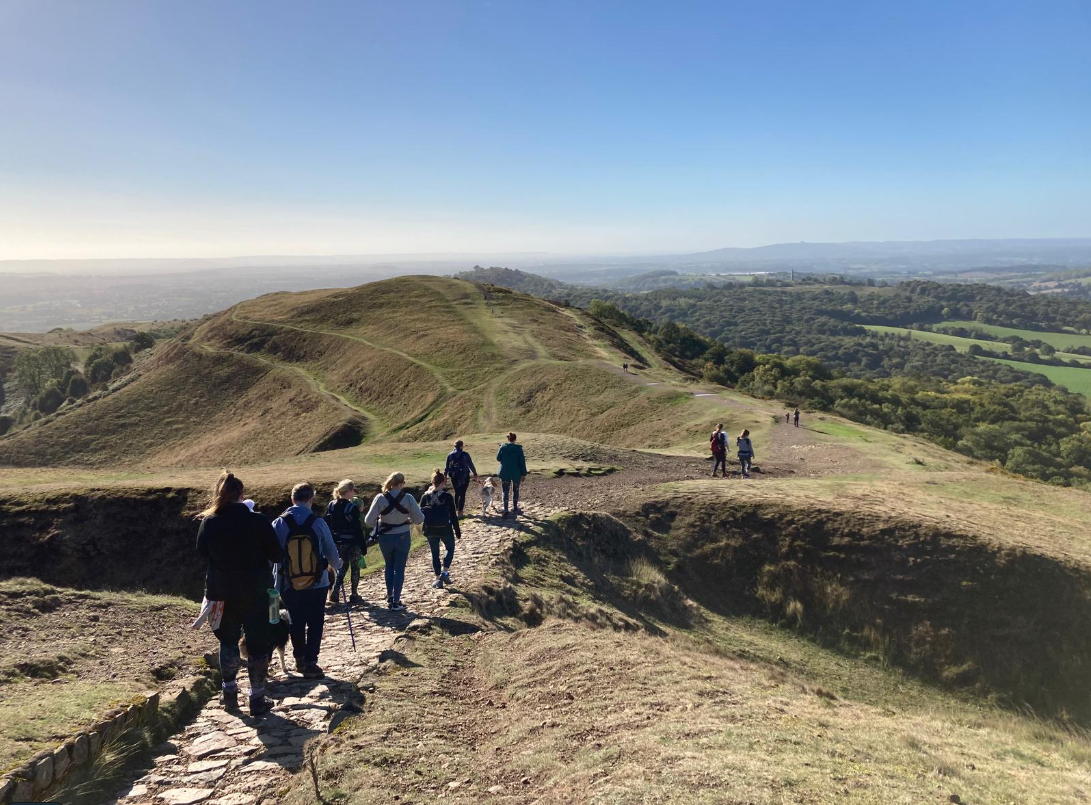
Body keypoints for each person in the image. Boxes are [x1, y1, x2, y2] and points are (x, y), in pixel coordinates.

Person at [195, 471, 282, 716]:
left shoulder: (209, 522)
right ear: (242, 495)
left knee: (228, 641)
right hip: (257, 591)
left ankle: (229, 693)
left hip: (221, 591)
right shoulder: (259, 521)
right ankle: (257, 697)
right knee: (257, 644)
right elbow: (277, 555)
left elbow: (202, 553)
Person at [273, 482, 341, 679]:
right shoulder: (318, 523)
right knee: (315, 621)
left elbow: (270, 555)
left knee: (295, 621)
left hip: (288, 582)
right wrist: (337, 566)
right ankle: (311, 661)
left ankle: (299, 658)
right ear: (311, 499)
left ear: (292, 499)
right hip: (317, 582)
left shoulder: (279, 523)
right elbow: (331, 553)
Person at [364, 472, 425, 611]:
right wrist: (409, 520)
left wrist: (379, 522)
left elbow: (368, 521)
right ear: (402, 483)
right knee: (399, 568)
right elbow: (419, 518)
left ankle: (390, 596)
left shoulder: (380, 498)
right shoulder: (408, 498)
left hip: (385, 537)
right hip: (402, 535)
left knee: (389, 566)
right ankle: (396, 600)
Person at [325, 479, 366, 605]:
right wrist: (362, 545)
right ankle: (354, 594)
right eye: (353, 490)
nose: (354, 493)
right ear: (348, 491)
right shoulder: (352, 508)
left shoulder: (331, 505)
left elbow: (327, 523)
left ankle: (335, 591)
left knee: (340, 566)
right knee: (355, 568)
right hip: (352, 542)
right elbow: (357, 528)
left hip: (337, 542)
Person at [420, 469, 462, 588]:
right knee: (449, 547)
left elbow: (420, 513)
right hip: (445, 528)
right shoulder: (447, 496)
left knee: (434, 553)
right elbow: (453, 515)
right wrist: (457, 531)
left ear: (432, 482)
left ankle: (437, 578)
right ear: (443, 482)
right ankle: (445, 572)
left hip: (430, 529)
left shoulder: (425, 497)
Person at [496, 432, 528, 519]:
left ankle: (506, 509)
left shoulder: (503, 447)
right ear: (515, 439)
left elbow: (498, 458)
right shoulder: (518, 449)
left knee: (505, 491)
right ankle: (515, 508)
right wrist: (523, 473)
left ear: (508, 439)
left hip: (504, 472)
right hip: (516, 473)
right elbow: (522, 462)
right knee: (515, 490)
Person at [444, 440, 478, 517]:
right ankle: (460, 512)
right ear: (462, 446)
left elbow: (446, 467)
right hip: (464, 476)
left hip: (454, 476)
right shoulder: (465, 454)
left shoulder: (450, 455)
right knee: (462, 494)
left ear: (454, 446)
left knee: (456, 492)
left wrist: (445, 476)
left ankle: (456, 510)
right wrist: (475, 473)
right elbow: (470, 465)